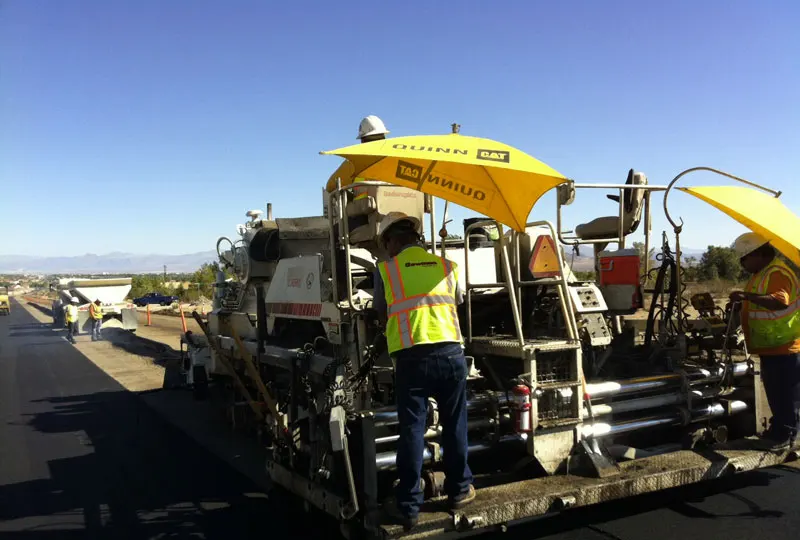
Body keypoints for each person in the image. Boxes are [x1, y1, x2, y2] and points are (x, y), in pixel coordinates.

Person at [373, 212, 475, 529]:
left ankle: (408, 506)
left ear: (392, 242)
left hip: (412, 358)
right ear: (416, 239)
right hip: (450, 354)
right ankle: (459, 490)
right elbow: (455, 301)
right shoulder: (447, 266)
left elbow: (381, 311)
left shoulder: (386, 270)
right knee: (455, 424)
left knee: (412, 431)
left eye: (385, 243)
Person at [729, 232, 800, 452]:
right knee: (777, 394)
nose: (742, 264)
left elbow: (779, 302)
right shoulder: (762, 273)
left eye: (744, 259)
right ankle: (780, 430)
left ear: (757, 254)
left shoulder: (776, 273)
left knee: (784, 394)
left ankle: (785, 435)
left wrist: (746, 297)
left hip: (784, 346)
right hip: (772, 346)